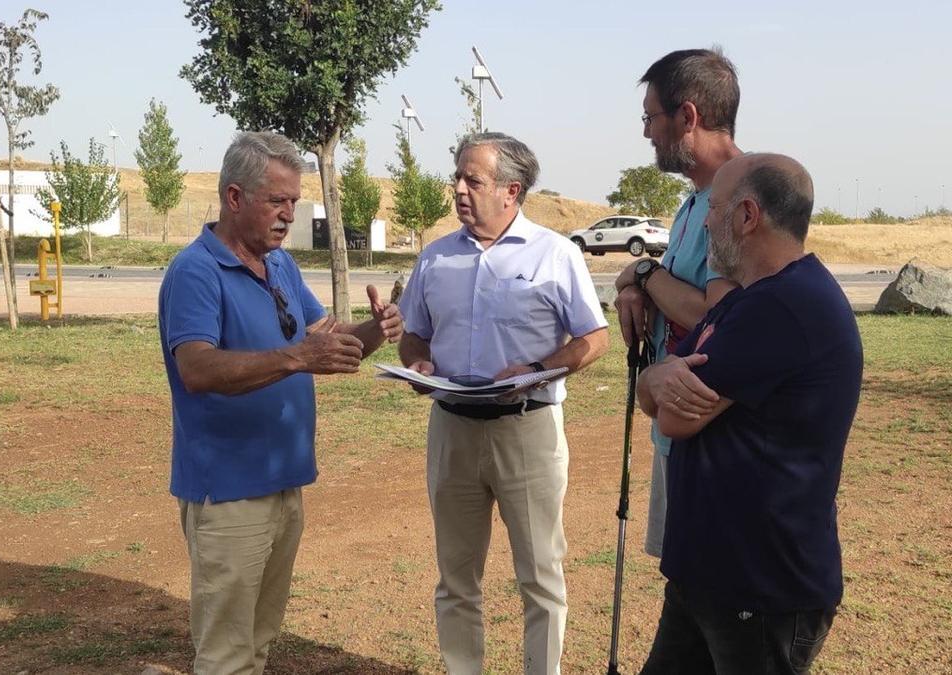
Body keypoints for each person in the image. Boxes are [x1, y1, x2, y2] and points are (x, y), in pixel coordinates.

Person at [158, 131, 402, 675]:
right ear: (234, 197)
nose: (289, 214)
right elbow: (195, 368)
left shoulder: (282, 266)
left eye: (294, 201)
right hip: (227, 491)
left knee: (260, 641)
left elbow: (329, 345)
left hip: (282, 483)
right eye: (277, 201)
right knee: (225, 654)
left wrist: (377, 330)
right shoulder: (195, 270)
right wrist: (295, 358)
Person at [635, 153, 862, 674]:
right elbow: (659, 394)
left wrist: (658, 384)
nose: (706, 221)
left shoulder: (782, 307)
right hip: (711, 578)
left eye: (714, 208)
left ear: (747, 216)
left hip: (761, 590)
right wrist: (655, 380)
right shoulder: (747, 300)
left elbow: (672, 419)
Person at [397, 132, 609, 674]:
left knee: (540, 576)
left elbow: (593, 338)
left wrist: (537, 371)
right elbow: (414, 335)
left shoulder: (555, 253)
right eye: (458, 178)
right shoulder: (436, 258)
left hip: (527, 429)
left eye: (474, 180)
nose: (460, 190)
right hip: (453, 430)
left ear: (511, 190)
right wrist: (419, 363)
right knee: (456, 577)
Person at [612, 47, 743, 558]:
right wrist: (635, 285)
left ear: (687, 116)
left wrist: (643, 272)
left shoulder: (736, 200)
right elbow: (666, 284)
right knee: (685, 592)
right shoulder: (694, 199)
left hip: (712, 443)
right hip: (680, 429)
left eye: (651, 117)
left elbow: (719, 316)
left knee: (704, 590)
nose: (647, 133)